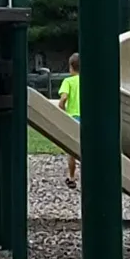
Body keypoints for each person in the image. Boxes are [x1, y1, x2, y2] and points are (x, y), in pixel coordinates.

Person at [57, 51, 83, 189]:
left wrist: (62, 110)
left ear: (71, 67)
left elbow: (64, 99)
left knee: (72, 150)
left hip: (73, 117)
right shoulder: (88, 81)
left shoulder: (68, 81)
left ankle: (72, 177)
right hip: (87, 118)